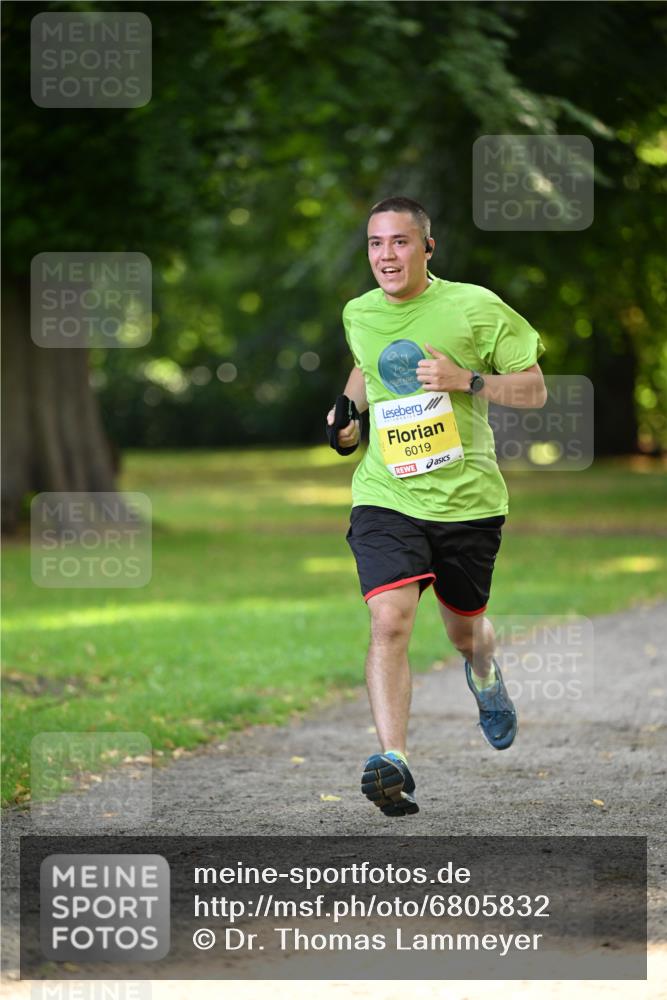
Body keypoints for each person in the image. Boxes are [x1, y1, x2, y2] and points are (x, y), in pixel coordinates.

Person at [326, 196, 546, 817]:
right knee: (389, 620)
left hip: (468, 501)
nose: (385, 255)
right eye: (375, 243)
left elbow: (533, 389)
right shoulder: (359, 312)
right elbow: (366, 369)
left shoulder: (473, 307)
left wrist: (467, 381)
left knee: (464, 629)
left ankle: (483, 671)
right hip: (387, 494)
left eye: (399, 242)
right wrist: (348, 417)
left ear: (427, 247)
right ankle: (393, 761)